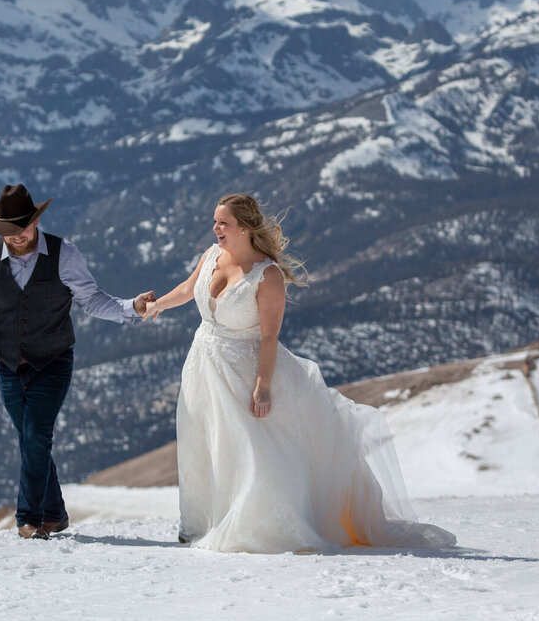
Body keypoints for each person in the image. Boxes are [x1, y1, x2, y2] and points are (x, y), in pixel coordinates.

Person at [144, 193, 455, 553]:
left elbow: (270, 336)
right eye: (215, 222)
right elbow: (187, 288)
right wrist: (156, 307)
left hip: (244, 371)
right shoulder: (211, 256)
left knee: (248, 449)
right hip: (203, 366)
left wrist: (262, 386)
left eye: (222, 223)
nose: (215, 229)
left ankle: (253, 525)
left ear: (244, 227)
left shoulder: (267, 275)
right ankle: (200, 521)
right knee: (203, 441)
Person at [0, 184, 154, 540]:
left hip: (53, 362)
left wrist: (131, 307)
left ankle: (29, 519)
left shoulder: (64, 254)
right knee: (30, 441)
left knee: (36, 434)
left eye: (24, 227)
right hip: (8, 368)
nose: (18, 236)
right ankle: (56, 513)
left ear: (37, 221)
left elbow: (92, 300)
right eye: (10, 230)